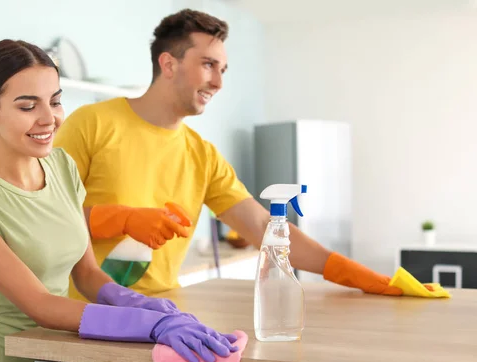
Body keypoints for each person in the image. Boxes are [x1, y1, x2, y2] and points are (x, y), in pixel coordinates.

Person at [0, 39, 238, 362]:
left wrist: (139, 303)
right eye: (28, 106)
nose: (49, 118)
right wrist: (149, 324)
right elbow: (40, 305)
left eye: (56, 100)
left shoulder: (61, 167)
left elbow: (87, 274)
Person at [53, 8, 403, 300]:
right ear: (169, 64)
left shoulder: (202, 155)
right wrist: (119, 219)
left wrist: (355, 274)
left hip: (159, 313)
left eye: (222, 70)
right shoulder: (91, 123)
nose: (218, 82)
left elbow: (264, 227)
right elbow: (44, 215)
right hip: (81, 314)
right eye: (208, 64)